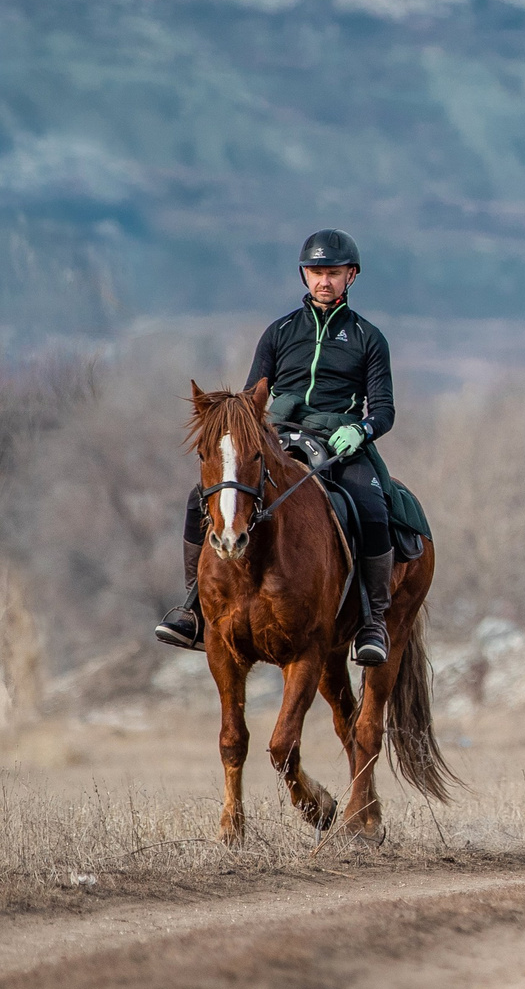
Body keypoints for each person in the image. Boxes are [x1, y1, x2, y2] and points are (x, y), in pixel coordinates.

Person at [154, 229, 401, 666]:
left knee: (372, 505)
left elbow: (383, 409)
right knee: (203, 499)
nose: (324, 281)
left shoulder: (368, 338)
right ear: (304, 275)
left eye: (333, 273)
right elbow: (253, 398)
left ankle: (372, 620)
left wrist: (361, 430)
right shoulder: (280, 331)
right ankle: (193, 608)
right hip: (278, 437)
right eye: (316, 272)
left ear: (352, 276)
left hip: (339, 443)